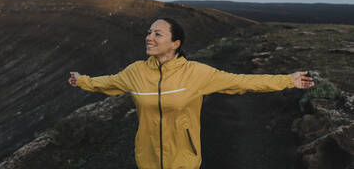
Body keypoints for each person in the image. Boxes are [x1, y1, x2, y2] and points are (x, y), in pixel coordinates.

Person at [68, 18, 314, 169]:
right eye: (149, 32)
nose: (149, 37)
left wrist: (287, 80)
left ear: (175, 44)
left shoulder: (196, 73)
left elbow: (241, 81)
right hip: (147, 160)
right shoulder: (136, 72)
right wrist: (82, 81)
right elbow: (108, 83)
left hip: (184, 161)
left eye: (157, 34)